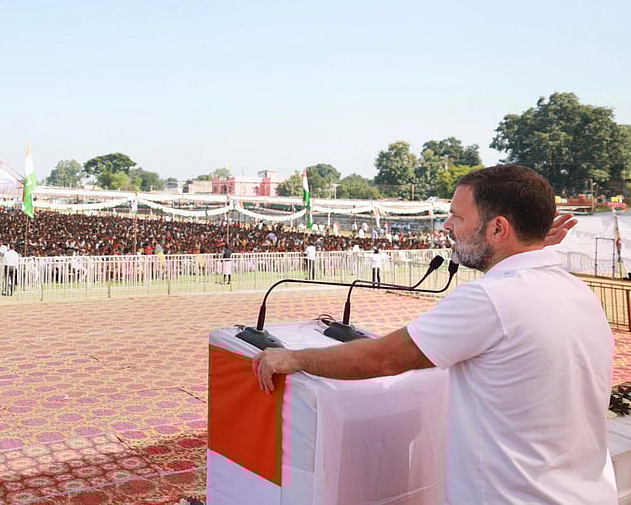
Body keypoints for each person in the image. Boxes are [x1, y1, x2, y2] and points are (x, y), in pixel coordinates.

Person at [252, 165, 614, 504]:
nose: (447, 224)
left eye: (458, 216)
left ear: (499, 229)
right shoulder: (576, 290)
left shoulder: (491, 299)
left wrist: (293, 357)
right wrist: (523, 245)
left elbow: (383, 358)